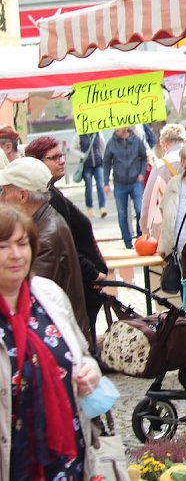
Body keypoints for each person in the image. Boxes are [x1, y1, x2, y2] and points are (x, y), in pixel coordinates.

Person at [0, 204, 101, 479]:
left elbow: (82, 355)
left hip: (66, 459)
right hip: (13, 462)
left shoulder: (48, 295)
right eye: (3, 246)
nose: (16, 254)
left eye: (22, 244)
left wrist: (90, 372)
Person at [0, 158, 92, 346]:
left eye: (5, 192)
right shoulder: (43, 221)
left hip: (57, 342)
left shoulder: (45, 235)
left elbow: (23, 294)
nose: (2, 198)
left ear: (23, 196)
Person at [26, 137, 108, 345]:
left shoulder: (53, 193)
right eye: (54, 158)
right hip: (81, 283)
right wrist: (94, 274)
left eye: (61, 155)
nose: (62, 160)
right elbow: (66, 246)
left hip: (85, 283)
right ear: (37, 164)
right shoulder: (46, 199)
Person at [103, 127, 148, 249]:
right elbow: (106, 162)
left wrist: (142, 173)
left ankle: (140, 238)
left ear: (126, 127)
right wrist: (106, 182)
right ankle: (127, 242)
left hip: (135, 181)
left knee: (140, 210)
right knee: (122, 214)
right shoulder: (111, 143)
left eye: (119, 126)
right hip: (120, 183)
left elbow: (144, 157)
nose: (116, 129)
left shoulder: (136, 140)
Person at [141, 123, 186, 240]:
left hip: (166, 222)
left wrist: (145, 228)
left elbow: (149, 198)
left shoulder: (161, 164)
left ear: (165, 143)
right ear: (184, 140)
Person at [76, 132, 107, 218]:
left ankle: (102, 207)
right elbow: (71, 148)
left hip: (98, 163)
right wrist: (82, 155)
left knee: (100, 185)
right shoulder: (79, 134)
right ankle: (90, 208)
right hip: (87, 165)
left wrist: (103, 157)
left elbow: (103, 145)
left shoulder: (97, 132)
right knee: (89, 187)